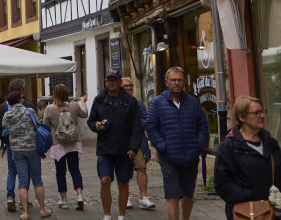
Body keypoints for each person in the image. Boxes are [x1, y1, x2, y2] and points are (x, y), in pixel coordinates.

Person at [146, 67, 209, 220]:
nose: (176, 83)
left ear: (184, 82)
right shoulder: (158, 103)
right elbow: (151, 126)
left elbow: (203, 124)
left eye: (179, 80)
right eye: (173, 80)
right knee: (172, 195)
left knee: (188, 194)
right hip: (169, 157)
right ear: (166, 82)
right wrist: (161, 146)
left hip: (190, 156)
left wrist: (198, 145)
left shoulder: (192, 102)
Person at [215, 95, 281, 220]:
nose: (262, 116)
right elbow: (222, 183)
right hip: (246, 212)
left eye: (262, 112)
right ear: (242, 116)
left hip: (273, 211)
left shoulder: (271, 143)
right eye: (256, 113)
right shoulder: (230, 145)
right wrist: (252, 195)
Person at [87, 69, 141, 220]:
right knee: (105, 180)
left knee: (123, 182)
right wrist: (95, 125)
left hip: (124, 148)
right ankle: (107, 215)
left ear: (119, 82)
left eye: (114, 79)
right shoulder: (99, 99)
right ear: (105, 82)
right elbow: (91, 121)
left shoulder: (130, 101)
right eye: (109, 80)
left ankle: (122, 215)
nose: (111, 82)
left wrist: (134, 147)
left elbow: (136, 126)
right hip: (105, 148)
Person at [3, 91, 52, 220]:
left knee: (22, 181)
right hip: (32, 149)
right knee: (37, 179)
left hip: (17, 150)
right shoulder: (29, 111)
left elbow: (6, 129)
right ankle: (42, 209)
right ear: (20, 99)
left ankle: (25, 212)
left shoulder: (7, 115)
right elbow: (37, 124)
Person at [42, 84, 88, 210]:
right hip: (73, 142)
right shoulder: (73, 105)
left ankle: (64, 200)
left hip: (58, 144)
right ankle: (79, 195)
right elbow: (84, 114)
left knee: (60, 172)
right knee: (75, 170)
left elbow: (45, 125)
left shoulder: (49, 108)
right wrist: (83, 102)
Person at [0, 78, 33, 211]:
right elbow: (34, 126)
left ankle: (10, 196)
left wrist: (6, 140)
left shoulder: (3, 106)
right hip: (27, 145)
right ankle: (25, 199)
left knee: (11, 172)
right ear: (22, 90)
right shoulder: (28, 105)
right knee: (25, 173)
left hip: (11, 144)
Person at [120, 77, 155, 210]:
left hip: (138, 140)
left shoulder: (138, 104)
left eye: (130, 86)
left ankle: (143, 197)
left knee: (141, 168)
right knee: (124, 170)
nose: (129, 88)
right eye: (125, 86)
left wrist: (134, 122)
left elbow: (147, 122)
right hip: (122, 142)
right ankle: (126, 197)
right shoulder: (116, 103)